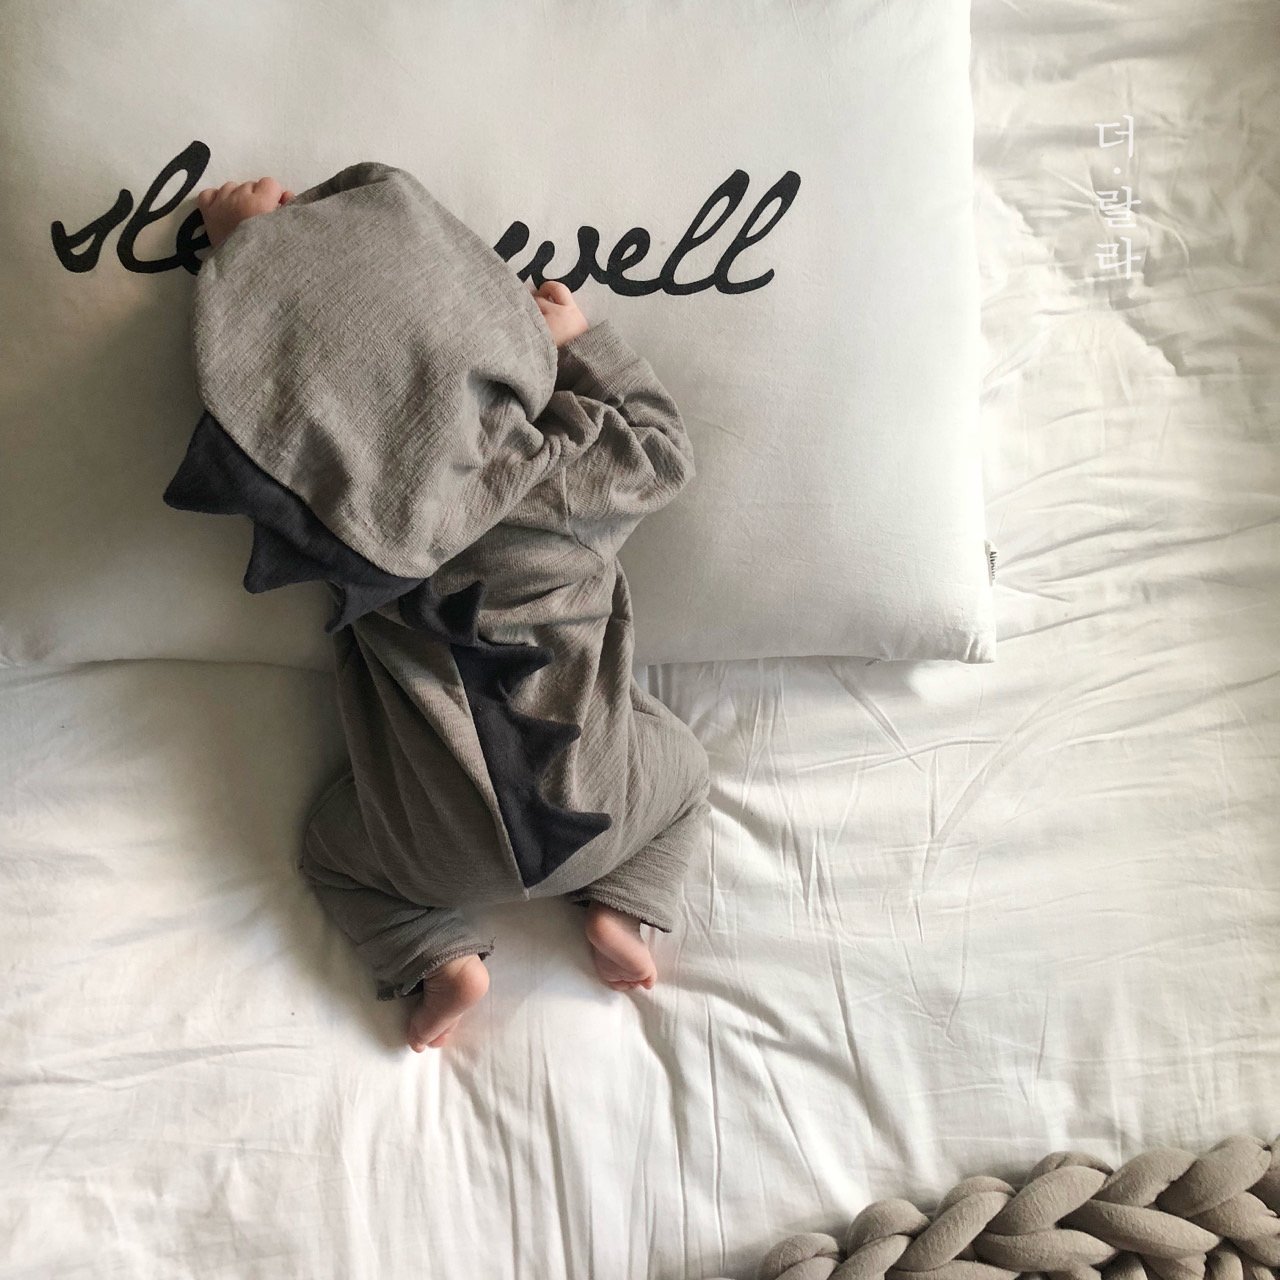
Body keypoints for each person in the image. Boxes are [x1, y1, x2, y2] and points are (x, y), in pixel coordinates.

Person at [169, 167, 711, 1052]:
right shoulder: (563, 473)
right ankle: (625, 907)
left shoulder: (343, 532)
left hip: (427, 855)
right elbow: (664, 449)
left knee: (329, 852)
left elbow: (306, 400)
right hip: (603, 816)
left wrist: (247, 256)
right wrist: (581, 345)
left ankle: (440, 956)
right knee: (682, 766)